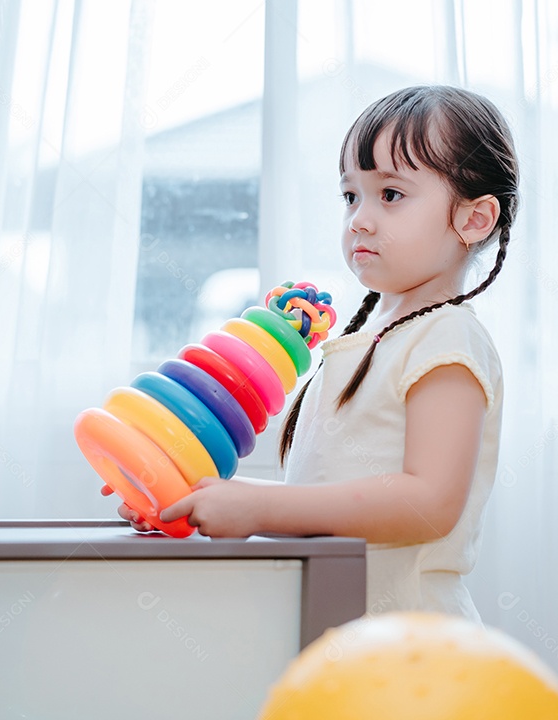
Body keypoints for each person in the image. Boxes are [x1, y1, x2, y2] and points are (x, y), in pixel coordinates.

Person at [106, 85, 518, 622]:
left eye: (390, 195)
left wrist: (257, 505)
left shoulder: (447, 337)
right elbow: (327, 502)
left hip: (410, 642)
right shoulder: (372, 340)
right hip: (343, 626)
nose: (359, 220)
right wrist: (199, 497)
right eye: (351, 196)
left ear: (474, 219)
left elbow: (428, 502)